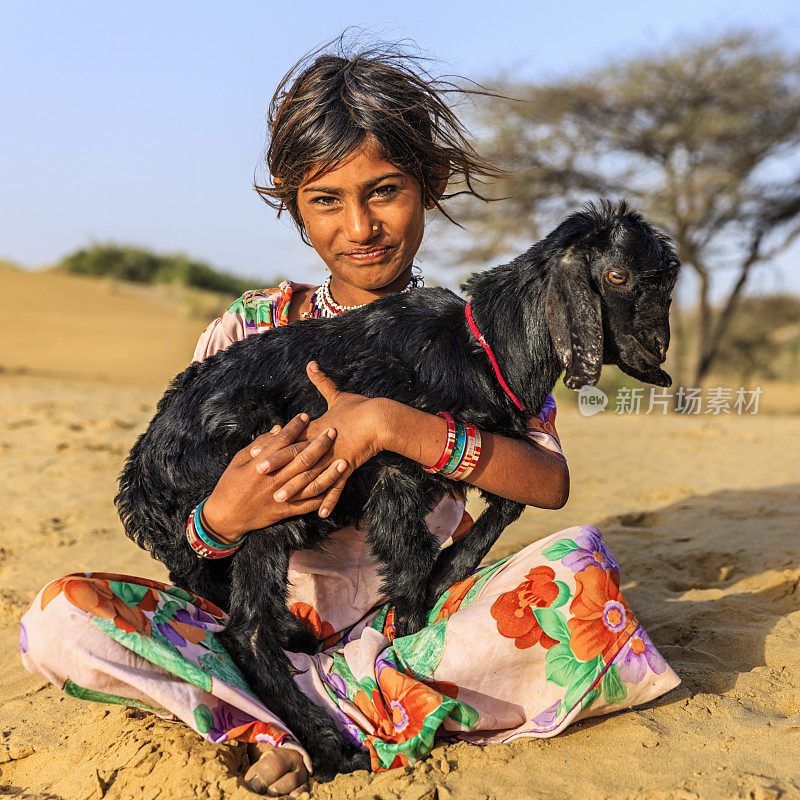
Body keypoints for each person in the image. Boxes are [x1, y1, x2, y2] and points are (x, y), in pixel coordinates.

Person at [20, 41, 680, 797]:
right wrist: (222, 518)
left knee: (581, 580)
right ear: (293, 204)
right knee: (61, 619)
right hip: (247, 627)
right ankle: (338, 715)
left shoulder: (483, 336)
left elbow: (545, 479)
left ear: (427, 187)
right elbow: (180, 534)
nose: (360, 225)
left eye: (385, 191)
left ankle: (278, 722)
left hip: (414, 628)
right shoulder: (254, 328)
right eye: (326, 199)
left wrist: (394, 426)